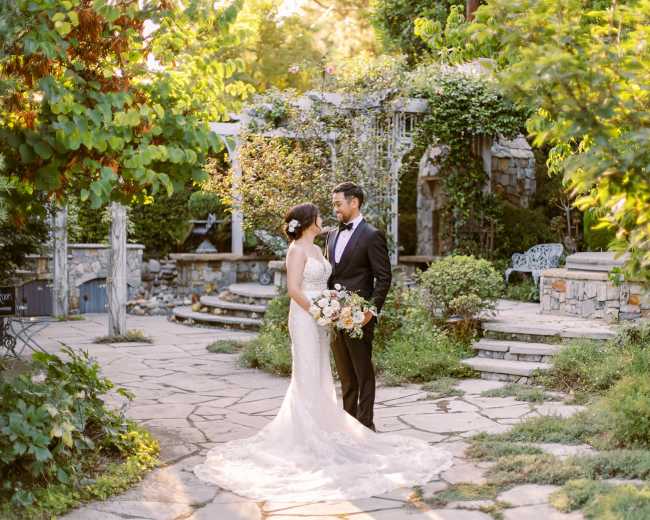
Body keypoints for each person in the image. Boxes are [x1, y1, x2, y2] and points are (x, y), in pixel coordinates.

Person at [193, 201, 452, 502]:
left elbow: (327, 282)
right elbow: (293, 289)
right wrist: (319, 310)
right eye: (317, 216)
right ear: (307, 222)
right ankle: (305, 435)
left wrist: (334, 303)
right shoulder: (297, 251)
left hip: (321, 317)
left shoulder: (318, 248)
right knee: (306, 372)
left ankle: (325, 426)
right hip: (304, 318)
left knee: (321, 372)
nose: (323, 218)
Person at [326, 181, 391, 431]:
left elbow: (384, 277)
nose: (335, 210)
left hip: (359, 316)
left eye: (338, 204)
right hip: (334, 314)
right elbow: (331, 275)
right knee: (345, 375)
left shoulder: (372, 235)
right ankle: (348, 424)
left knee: (363, 374)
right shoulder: (332, 234)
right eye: (334, 205)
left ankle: (365, 425)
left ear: (354, 202)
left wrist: (370, 312)